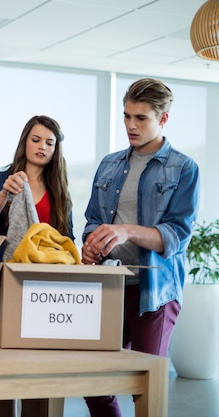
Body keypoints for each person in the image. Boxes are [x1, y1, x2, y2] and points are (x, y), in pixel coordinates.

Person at [81, 78, 200, 417]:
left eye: (141, 118)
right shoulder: (109, 164)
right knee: (92, 380)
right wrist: (92, 244)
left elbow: (177, 235)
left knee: (145, 388)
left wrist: (128, 231)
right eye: (126, 116)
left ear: (163, 119)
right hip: (110, 287)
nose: (131, 125)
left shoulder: (184, 168)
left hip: (155, 293)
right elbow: (93, 219)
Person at [0, 115, 72, 417]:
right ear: (24, 141)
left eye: (49, 142)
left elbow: (66, 240)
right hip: (3, 283)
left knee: (37, 371)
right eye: (36, 139)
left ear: (56, 149)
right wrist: (5, 192)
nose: (42, 146)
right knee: (0, 371)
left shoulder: (59, 191)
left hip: (43, 288)